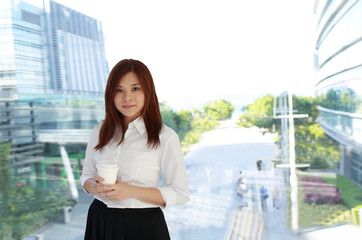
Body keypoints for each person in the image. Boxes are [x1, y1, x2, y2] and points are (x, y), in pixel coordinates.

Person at [80, 59, 190, 240]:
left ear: (148, 91)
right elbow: (86, 175)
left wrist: (130, 191)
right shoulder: (99, 131)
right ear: (110, 94)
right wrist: (94, 186)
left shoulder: (165, 136)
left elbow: (180, 194)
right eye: (119, 90)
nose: (127, 97)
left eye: (135, 89)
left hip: (142, 225)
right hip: (100, 218)